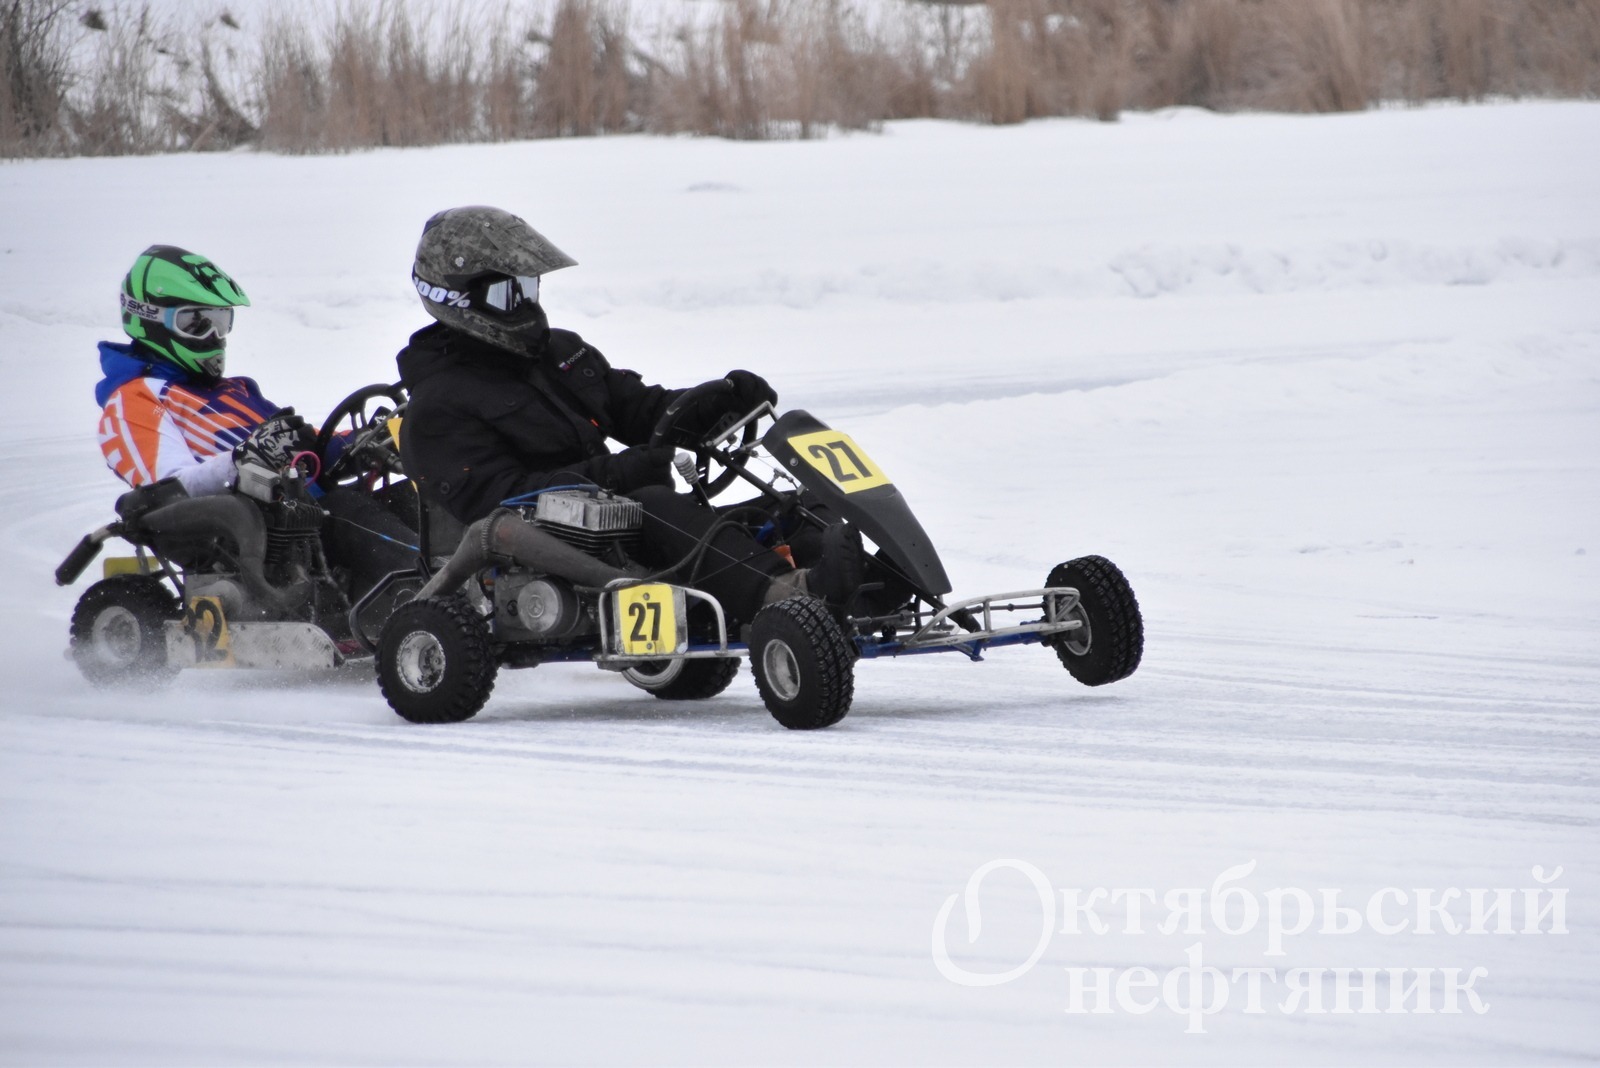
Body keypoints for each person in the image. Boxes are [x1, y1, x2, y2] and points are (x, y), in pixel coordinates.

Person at [394, 206, 861, 626]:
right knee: (658, 505)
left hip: (622, 521)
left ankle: (864, 586)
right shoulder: (438, 407)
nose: (526, 304)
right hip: (556, 549)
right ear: (457, 300)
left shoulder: (560, 352)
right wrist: (617, 473)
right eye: (506, 295)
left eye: (529, 287)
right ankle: (789, 594)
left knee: (791, 506)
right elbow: (499, 504)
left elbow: (644, 410)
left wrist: (719, 403)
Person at [96, 244, 416, 599]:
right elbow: (167, 493)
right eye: (196, 323)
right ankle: (431, 608)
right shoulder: (134, 401)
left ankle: (466, 595)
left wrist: (368, 438)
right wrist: (247, 458)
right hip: (253, 540)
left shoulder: (233, 392)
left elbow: (303, 449)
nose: (214, 336)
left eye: (221, 322)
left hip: (303, 517)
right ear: (148, 319)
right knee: (348, 513)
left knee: (417, 501)